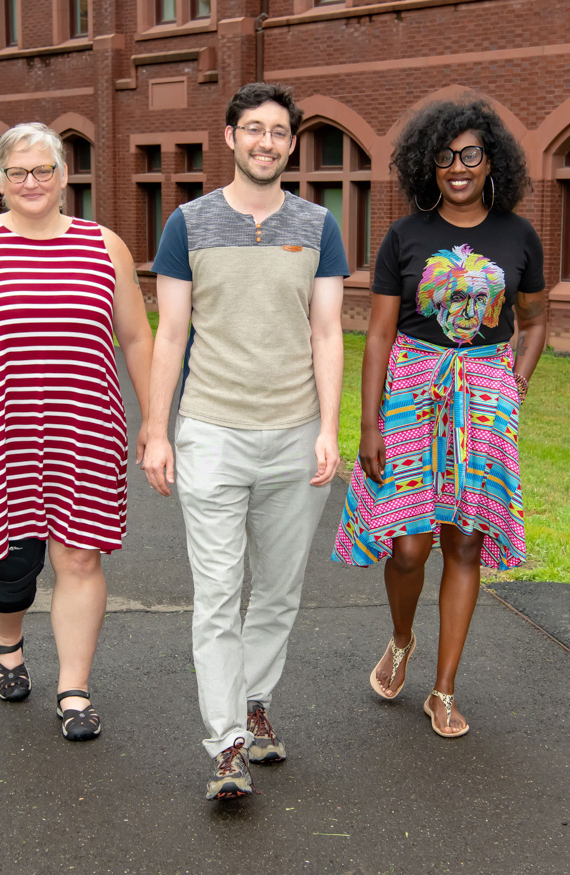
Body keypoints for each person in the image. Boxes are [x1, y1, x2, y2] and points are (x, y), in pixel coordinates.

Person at [143, 83, 348, 800]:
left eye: (280, 132)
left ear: (292, 143)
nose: (267, 142)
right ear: (229, 137)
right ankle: (227, 742)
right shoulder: (188, 224)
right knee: (219, 592)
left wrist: (328, 427)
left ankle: (256, 701)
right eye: (253, 129)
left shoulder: (318, 224)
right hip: (211, 432)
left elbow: (327, 331)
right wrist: (157, 430)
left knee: (279, 592)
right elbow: (171, 334)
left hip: (293, 434)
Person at [0, 122, 153, 742]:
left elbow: (137, 338)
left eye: (43, 170)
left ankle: (73, 689)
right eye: (18, 172)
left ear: (64, 177)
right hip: (0, 431)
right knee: (10, 567)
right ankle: (8, 645)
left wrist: (156, 424)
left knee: (79, 556)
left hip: (87, 429)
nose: (31, 182)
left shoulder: (104, 245)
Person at [332, 98, 548, 738]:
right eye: (445, 156)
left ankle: (444, 690)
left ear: (492, 164)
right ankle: (402, 638)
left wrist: (517, 379)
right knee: (408, 545)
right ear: (429, 165)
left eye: (471, 155)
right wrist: (368, 424)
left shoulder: (518, 236)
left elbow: (534, 321)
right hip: (411, 392)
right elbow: (376, 337)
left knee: (466, 540)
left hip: (483, 397)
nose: (458, 167)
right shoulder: (405, 235)